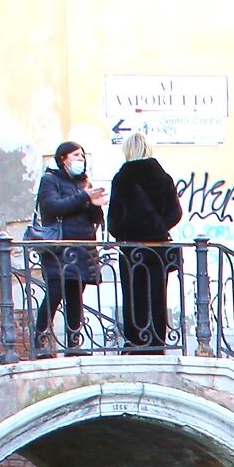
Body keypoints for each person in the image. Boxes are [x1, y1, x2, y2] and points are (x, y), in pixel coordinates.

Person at [105, 123, 182, 352]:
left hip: (132, 249)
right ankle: (157, 342)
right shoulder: (163, 177)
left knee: (133, 294)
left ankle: (136, 342)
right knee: (158, 294)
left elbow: (114, 221)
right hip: (158, 247)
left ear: (128, 151)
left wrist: (129, 233)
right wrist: (157, 228)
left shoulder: (121, 178)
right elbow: (176, 212)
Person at [32, 141, 105, 354]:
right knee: (54, 293)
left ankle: (74, 344)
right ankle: (41, 340)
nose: (80, 159)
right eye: (75, 156)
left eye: (82, 156)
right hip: (60, 249)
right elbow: (52, 207)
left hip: (82, 249)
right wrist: (85, 197)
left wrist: (95, 204)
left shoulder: (84, 183)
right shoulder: (50, 180)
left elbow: (93, 218)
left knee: (75, 296)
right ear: (63, 159)